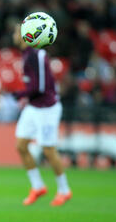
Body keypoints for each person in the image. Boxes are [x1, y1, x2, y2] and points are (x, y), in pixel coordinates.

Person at [12, 24, 72, 206]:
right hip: (34, 106)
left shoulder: (37, 54)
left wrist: (20, 94)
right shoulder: (26, 55)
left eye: (17, 32)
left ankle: (64, 189)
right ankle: (37, 186)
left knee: (48, 149)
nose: (14, 36)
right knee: (21, 145)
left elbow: (40, 87)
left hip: (47, 107)